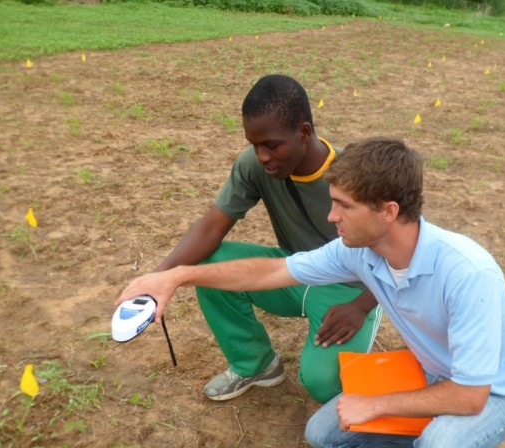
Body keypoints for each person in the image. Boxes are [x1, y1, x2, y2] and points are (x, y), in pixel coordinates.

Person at [117, 137, 505, 448]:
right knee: (325, 432)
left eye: (344, 206)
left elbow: (470, 395)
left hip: (492, 393)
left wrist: (378, 404)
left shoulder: (467, 273)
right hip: (431, 371)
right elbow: (271, 273)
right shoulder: (361, 251)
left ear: (388, 211)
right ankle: (427, 439)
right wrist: (176, 276)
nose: (332, 216)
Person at [148, 74, 381, 404]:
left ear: (303, 132)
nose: (262, 157)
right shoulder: (254, 167)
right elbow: (212, 227)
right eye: (254, 145)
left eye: (272, 145)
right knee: (210, 263)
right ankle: (255, 364)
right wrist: (159, 278)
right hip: (292, 272)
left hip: (353, 291)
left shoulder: (354, 175)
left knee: (323, 385)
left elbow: (397, 253)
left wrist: (362, 304)